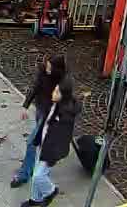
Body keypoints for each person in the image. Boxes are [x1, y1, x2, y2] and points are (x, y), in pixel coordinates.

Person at [23, 66, 82, 206]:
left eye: (56, 91)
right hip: (43, 144)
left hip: (50, 151)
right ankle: (35, 200)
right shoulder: (55, 105)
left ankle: (50, 191)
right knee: (37, 175)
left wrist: (51, 156)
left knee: (38, 176)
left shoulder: (64, 116)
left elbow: (60, 139)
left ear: (63, 94)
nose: (53, 93)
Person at [13, 55, 70, 189]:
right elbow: (35, 88)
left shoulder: (62, 82)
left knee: (32, 142)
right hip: (40, 109)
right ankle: (36, 166)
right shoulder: (43, 72)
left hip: (49, 114)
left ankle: (24, 174)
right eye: (47, 65)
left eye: (50, 67)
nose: (47, 68)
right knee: (40, 141)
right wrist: (26, 106)